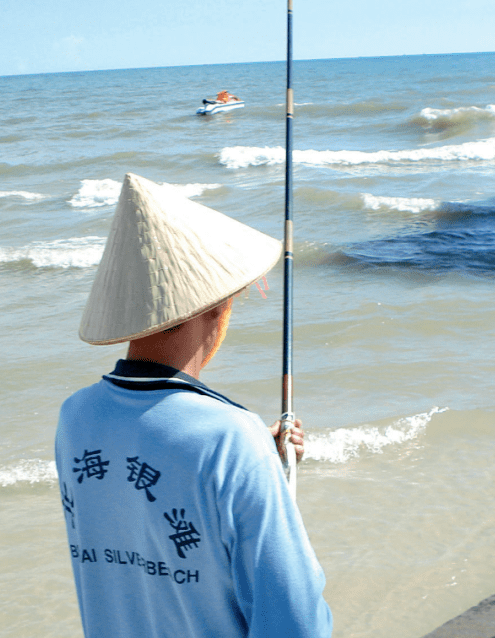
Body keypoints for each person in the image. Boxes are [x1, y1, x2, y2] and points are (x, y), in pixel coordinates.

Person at [55, 173, 332, 638]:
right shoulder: (230, 437)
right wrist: (254, 459)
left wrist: (260, 458)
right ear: (213, 306)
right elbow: (295, 621)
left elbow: (137, 522)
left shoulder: (75, 416)